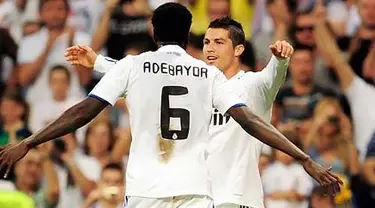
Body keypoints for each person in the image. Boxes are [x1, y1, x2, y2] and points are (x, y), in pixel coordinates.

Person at [0, 2, 341, 208]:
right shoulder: (205, 75)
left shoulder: (135, 65)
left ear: (153, 31)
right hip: (195, 191)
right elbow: (250, 121)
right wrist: (305, 159)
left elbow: (84, 110)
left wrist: (29, 142)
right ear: (188, 33)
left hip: (147, 190)